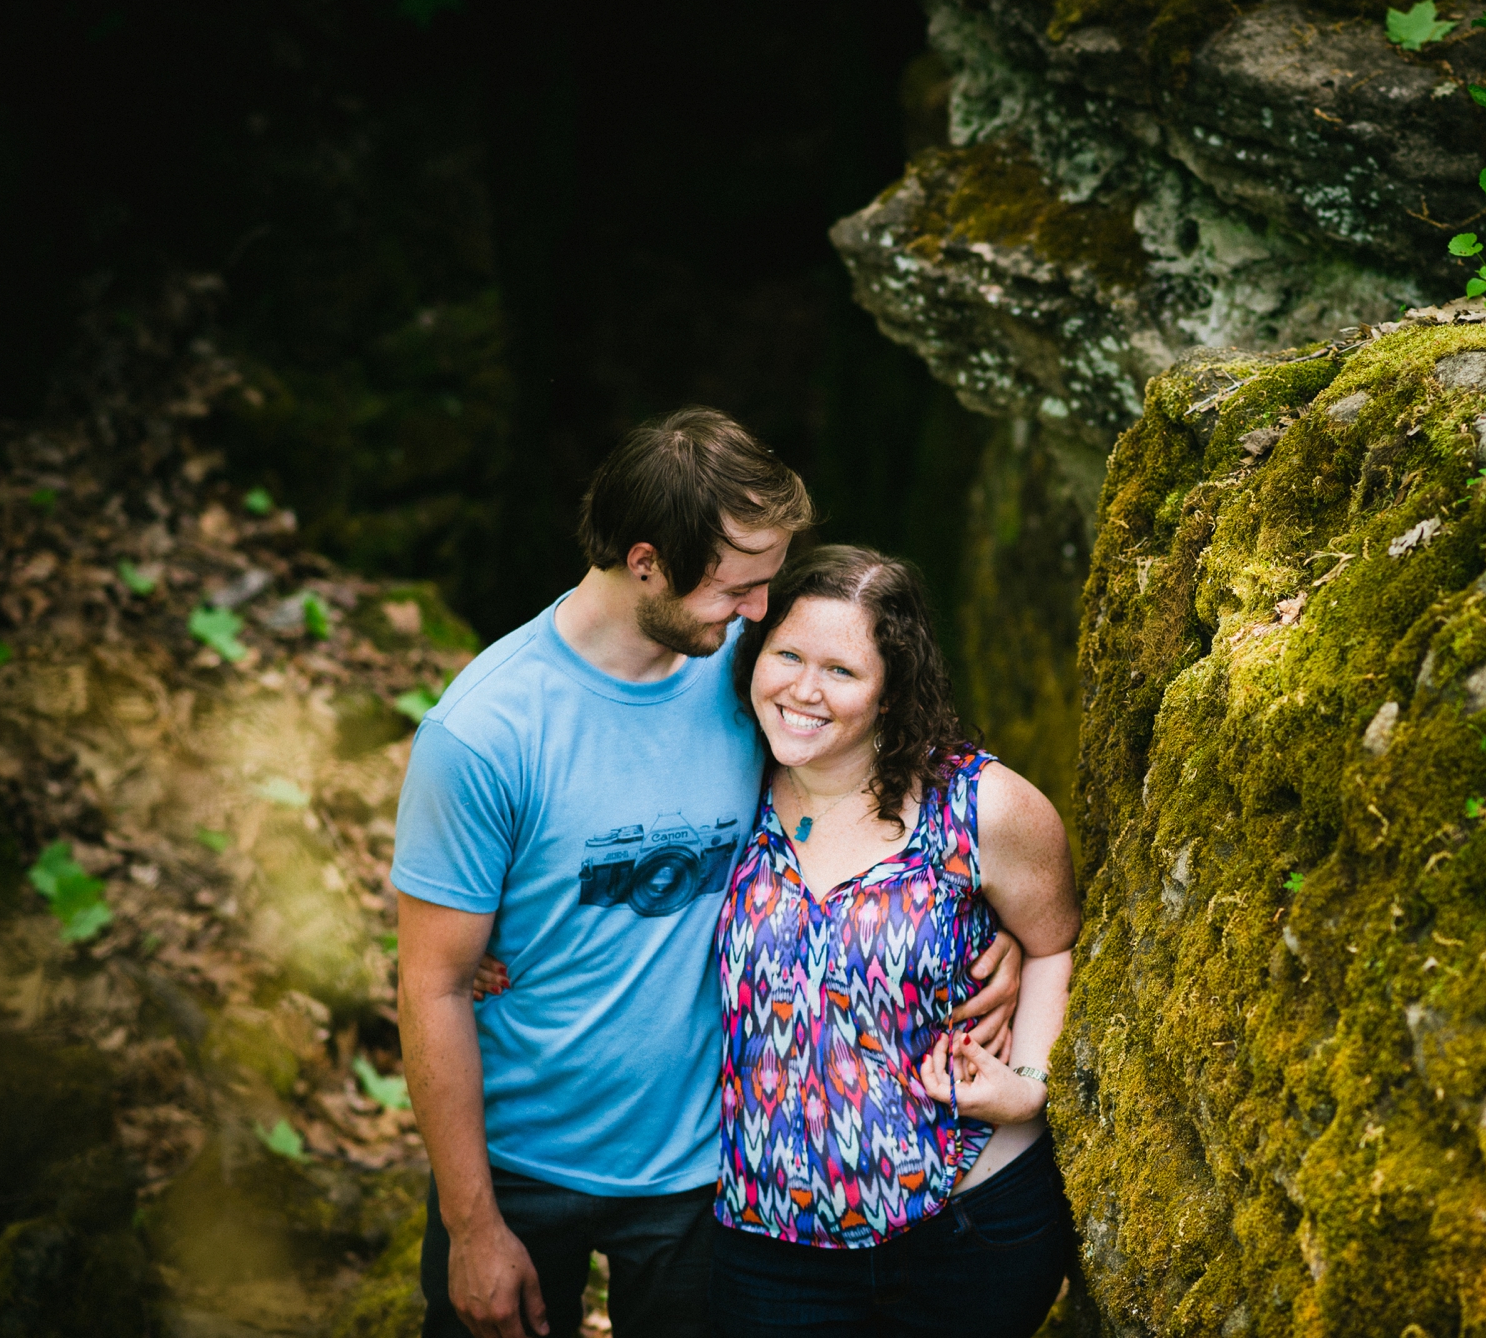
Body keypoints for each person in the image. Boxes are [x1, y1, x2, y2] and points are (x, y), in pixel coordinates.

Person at [391, 408, 1021, 1338]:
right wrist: (471, 1223)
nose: (762, 612)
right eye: (740, 588)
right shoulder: (485, 731)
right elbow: (430, 981)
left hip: (706, 1173)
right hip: (520, 1163)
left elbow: (888, 801)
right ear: (646, 562)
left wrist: (995, 926)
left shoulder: (757, 677)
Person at [708, 545, 1082, 1338]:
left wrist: (1030, 1083)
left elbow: (1051, 942)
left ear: (890, 691)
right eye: (788, 655)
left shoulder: (982, 806)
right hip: (769, 1241)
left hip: (968, 1227)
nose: (804, 690)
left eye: (842, 671)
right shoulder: (721, 784)